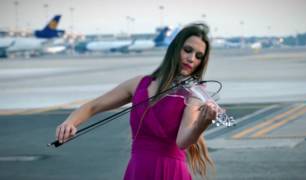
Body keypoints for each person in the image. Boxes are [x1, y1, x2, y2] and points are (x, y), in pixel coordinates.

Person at [56, 23, 218, 179]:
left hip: (171, 172)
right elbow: (93, 106)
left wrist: (203, 123)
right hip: (138, 170)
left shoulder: (195, 94)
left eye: (198, 56)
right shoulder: (139, 84)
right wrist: (70, 122)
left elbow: (183, 141)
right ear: (175, 49)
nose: (191, 58)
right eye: (187, 50)